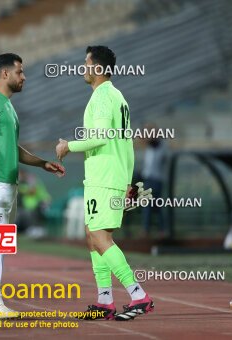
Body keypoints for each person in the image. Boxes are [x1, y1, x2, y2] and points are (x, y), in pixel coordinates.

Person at [56, 46, 154, 321]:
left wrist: (68, 145)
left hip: (104, 178)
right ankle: (105, 301)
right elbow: (126, 144)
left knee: (100, 237)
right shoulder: (117, 97)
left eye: (86, 63)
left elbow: (99, 137)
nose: (83, 68)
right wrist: (127, 181)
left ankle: (138, 295)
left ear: (97, 68)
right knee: (92, 237)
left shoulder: (102, 97)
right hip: (108, 177)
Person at [0, 53, 65, 318]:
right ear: (5, 74)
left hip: (7, 182)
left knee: (1, 244)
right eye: (20, 72)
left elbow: (12, 148)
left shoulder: (8, 107)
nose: (24, 77)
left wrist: (41, 164)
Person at [141, 122, 167, 238]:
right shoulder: (150, 147)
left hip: (156, 180)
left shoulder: (161, 147)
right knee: (148, 206)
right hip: (148, 179)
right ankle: (147, 230)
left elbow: (162, 161)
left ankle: (161, 229)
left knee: (156, 206)